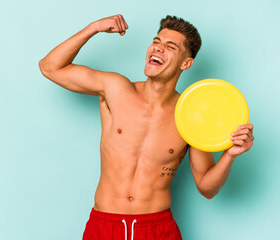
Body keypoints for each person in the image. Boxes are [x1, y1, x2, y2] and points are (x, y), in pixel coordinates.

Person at [39, 14, 254, 240]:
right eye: (156, 42)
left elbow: (206, 187)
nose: (158, 49)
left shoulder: (190, 115)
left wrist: (230, 155)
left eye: (170, 46)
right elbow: (50, 67)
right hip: (105, 226)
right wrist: (94, 27)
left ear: (186, 63)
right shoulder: (116, 89)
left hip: (156, 229)